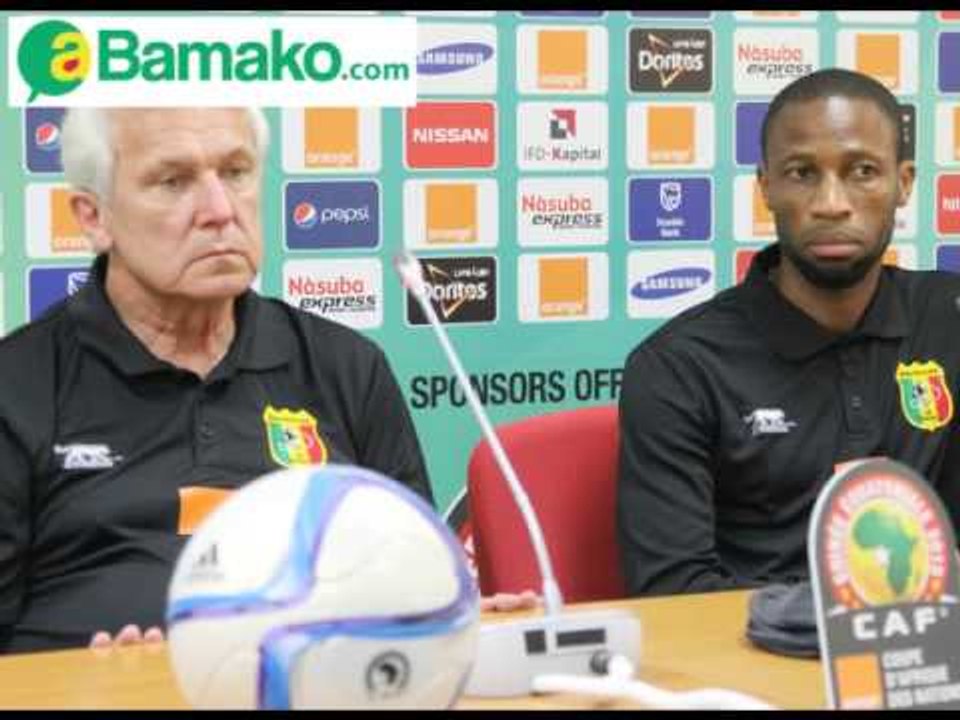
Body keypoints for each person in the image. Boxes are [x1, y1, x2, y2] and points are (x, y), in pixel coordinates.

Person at [0, 107, 534, 654]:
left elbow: (416, 580)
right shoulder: (18, 385)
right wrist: (77, 683)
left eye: (235, 172)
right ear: (94, 217)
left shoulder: (344, 365)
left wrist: (448, 618)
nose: (219, 210)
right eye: (173, 181)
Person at [617, 68, 960, 596]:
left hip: (931, 658)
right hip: (760, 659)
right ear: (766, 187)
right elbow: (673, 594)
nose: (831, 203)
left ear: (904, 183)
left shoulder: (947, 316)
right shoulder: (679, 367)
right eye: (802, 173)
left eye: (863, 171)